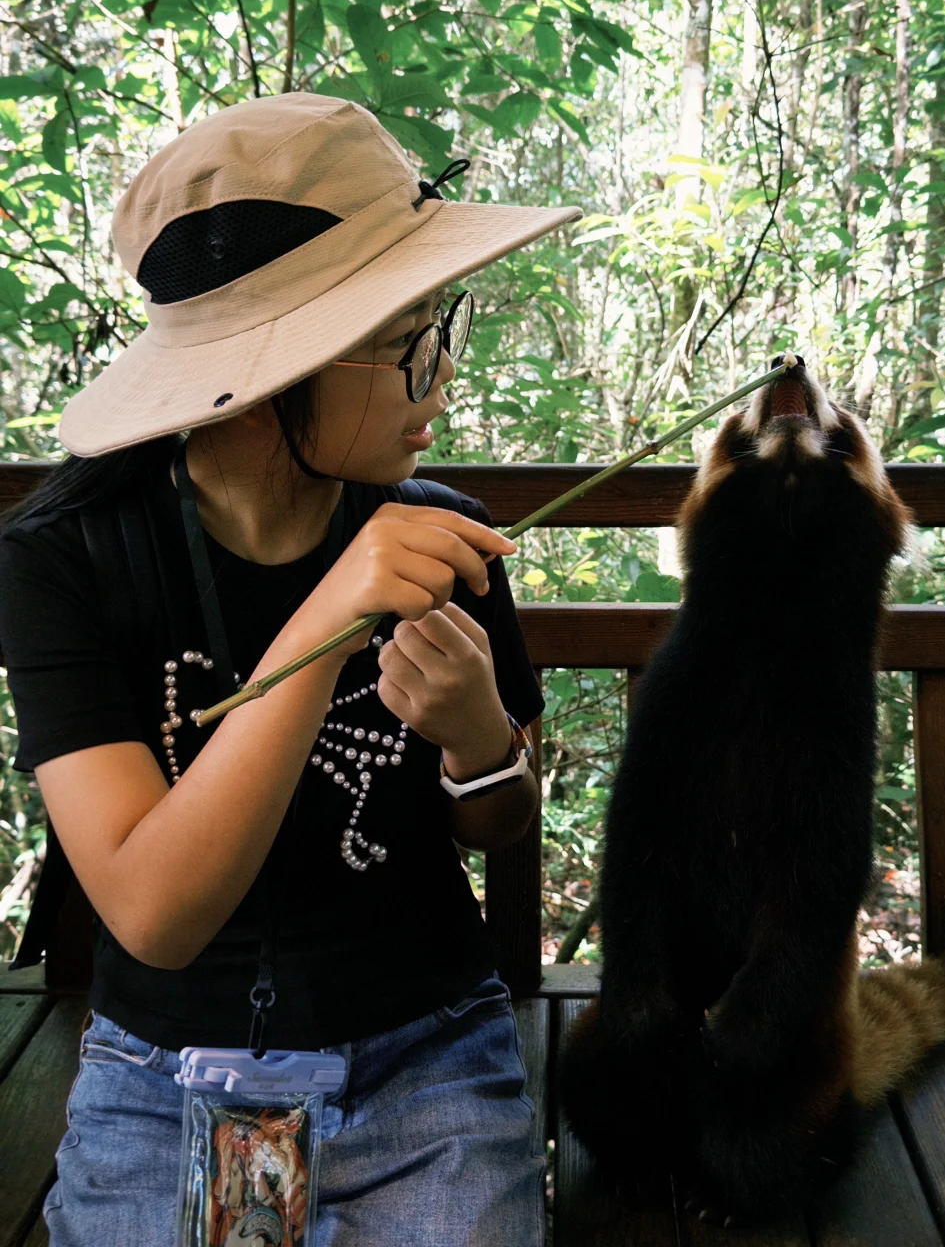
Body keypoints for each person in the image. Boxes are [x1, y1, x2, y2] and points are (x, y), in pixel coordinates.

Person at [0, 92, 581, 1245]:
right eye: (410, 336)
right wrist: (331, 613)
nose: (443, 376)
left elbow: (500, 820)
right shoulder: (65, 559)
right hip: (163, 1069)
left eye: (440, 324)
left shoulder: (437, 536)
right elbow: (153, 914)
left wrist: (477, 740)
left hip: (426, 1055)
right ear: (279, 375)